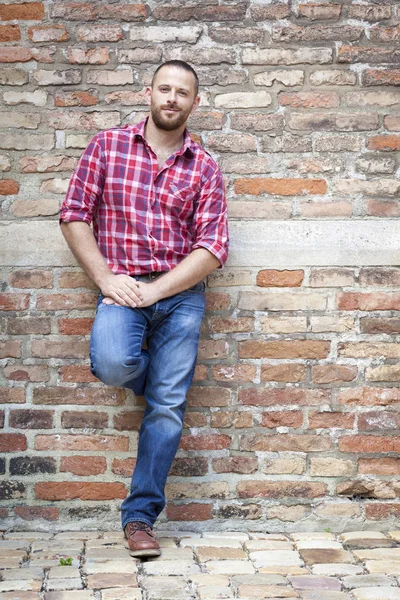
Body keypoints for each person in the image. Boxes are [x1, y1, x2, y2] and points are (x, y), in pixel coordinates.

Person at [59, 60, 229, 558]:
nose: (172, 99)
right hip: (121, 289)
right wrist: (108, 279)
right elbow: (73, 215)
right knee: (114, 364)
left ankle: (139, 517)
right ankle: (161, 391)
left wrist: (158, 292)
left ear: (195, 103)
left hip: (179, 297)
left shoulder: (205, 167)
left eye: (183, 93)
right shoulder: (107, 146)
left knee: (167, 411)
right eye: (165, 89)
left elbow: (213, 247)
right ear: (148, 93)